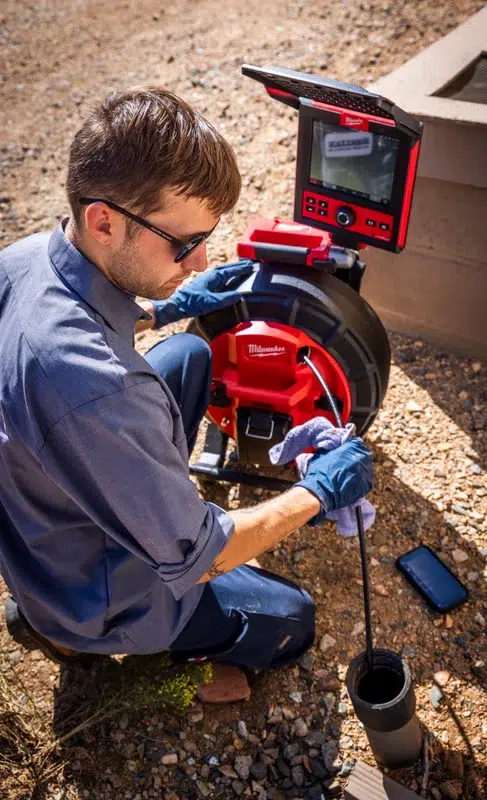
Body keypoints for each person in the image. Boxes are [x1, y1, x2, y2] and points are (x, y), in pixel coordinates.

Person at [0, 86, 372, 671]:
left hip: (40, 516)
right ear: (103, 221)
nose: (200, 262)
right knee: (293, 620)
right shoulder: (97, 388)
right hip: (95, 590)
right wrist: (316, 491)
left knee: (190, 355)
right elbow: (204, 557)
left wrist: (165, 308)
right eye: (185, 244)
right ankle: (72, 637)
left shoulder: (22, 260)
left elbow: (79, 341)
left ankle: (57, 599)